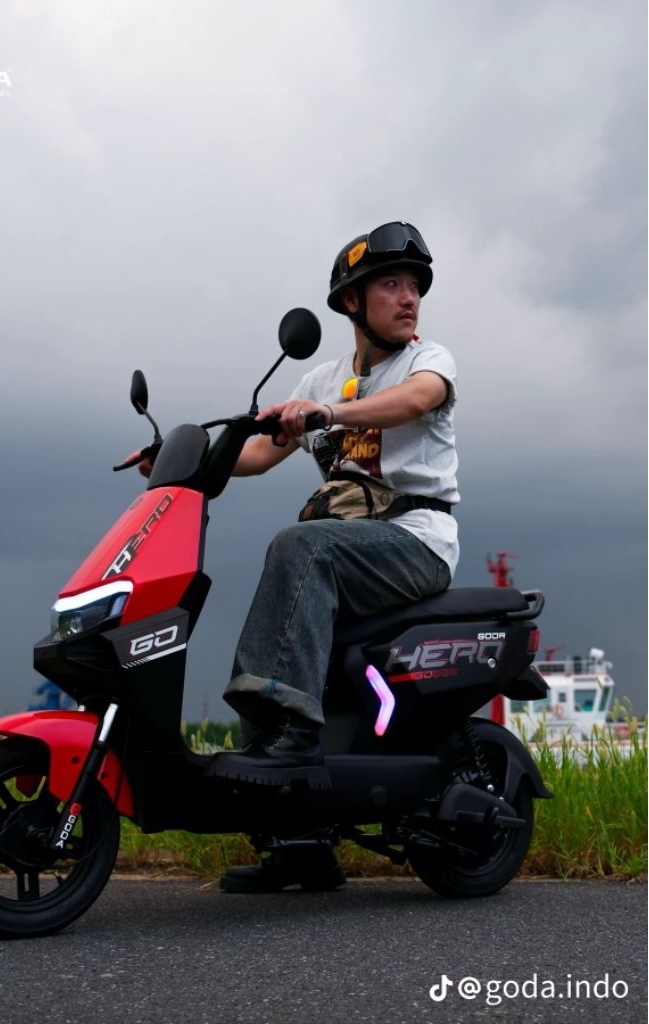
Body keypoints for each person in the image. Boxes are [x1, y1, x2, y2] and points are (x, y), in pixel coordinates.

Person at [135, 220, 460, 893]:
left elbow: (416, 401)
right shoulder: (322, 377)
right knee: (278, 609)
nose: (409, 298)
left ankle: (293, 734)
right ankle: (298, 843)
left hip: (416, 540)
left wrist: (329, 416)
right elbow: (259, 454)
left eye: (414, 286)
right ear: (351, 301)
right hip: (349, 549)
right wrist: (175, 463)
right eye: (391, 285)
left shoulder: (427, 362)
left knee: (299, 545)